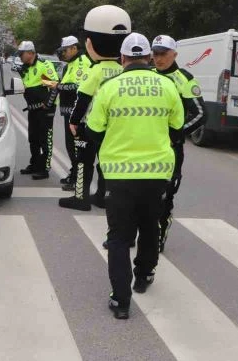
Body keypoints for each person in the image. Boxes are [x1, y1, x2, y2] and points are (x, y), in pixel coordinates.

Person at [86, 33, 183, 319]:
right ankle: (144, 276)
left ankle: (121, 301)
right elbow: (177, 128)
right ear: (149, 57)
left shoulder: (109, 87)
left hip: (119, 175)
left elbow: (93, 130)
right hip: (157, 173)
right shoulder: (168, 86)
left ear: (123, 58)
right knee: (150, 226)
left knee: (118, 237)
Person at [59, 5, 130, 211]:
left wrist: (73, 121)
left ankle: (80, 198)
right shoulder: (122, 70)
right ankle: (102, 196)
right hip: (115, 126)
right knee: (106, 161)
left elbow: (82, 99)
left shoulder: (95, 71)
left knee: (84, 161)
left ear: (89, 43)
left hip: (91, 125)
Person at [150, 34, 206, 252]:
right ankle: (133, 234)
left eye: (163, 54)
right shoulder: (147, 74)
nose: (158, 58)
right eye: (155, 54)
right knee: (138, 193)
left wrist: (176, 134)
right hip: (144, 147)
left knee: (165, 197)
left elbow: (200, 114)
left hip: (170, 150)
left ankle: (158, 238)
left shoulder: (184, 78)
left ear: (174, 54)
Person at [44, 35, 91, 190]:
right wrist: (49, 102)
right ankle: (74, 173)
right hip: (68, 112)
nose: (63, 53)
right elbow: (62, 85)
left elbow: (77, 86)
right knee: (71, 147)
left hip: (78, 114)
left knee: (77, 148)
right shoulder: (69, 65)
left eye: (65, 50)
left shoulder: (82, 62)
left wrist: (58, 86)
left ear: (74, 48)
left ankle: (77, 180)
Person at [12, 40, 59, 180]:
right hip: (33, 109)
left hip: (45, 109)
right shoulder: (26, 68)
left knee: (45, 139)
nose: (20, 57)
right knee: (33, 138)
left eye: (21, 54)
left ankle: (44, 169)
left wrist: (47, 104)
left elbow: (54, 86)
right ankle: (35, 164)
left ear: (30, 53)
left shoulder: (43, 65)